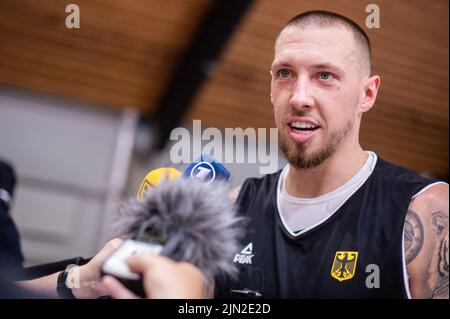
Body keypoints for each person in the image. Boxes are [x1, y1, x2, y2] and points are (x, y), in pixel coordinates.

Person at [213, 10, 448, 299]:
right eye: (285, 73)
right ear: (271, 87)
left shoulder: (426, 211)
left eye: (324, 76)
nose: (299, 98)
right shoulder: (231, 210)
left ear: (368, 94)